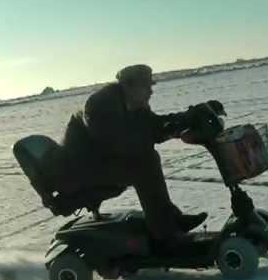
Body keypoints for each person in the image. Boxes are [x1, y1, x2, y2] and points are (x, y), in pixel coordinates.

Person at [50, 64, 224, 247]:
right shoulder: (100, 105)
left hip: (102, 159)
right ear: (129, 86)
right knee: (143, 166)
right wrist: (167, 130)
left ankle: (170, 220)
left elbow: (153, 126)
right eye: (146, 87)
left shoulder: (134, 103)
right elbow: (120, 144)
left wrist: (188, 117)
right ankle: (165, 235)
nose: (151, 92)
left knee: (148, 159)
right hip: (81, 168)